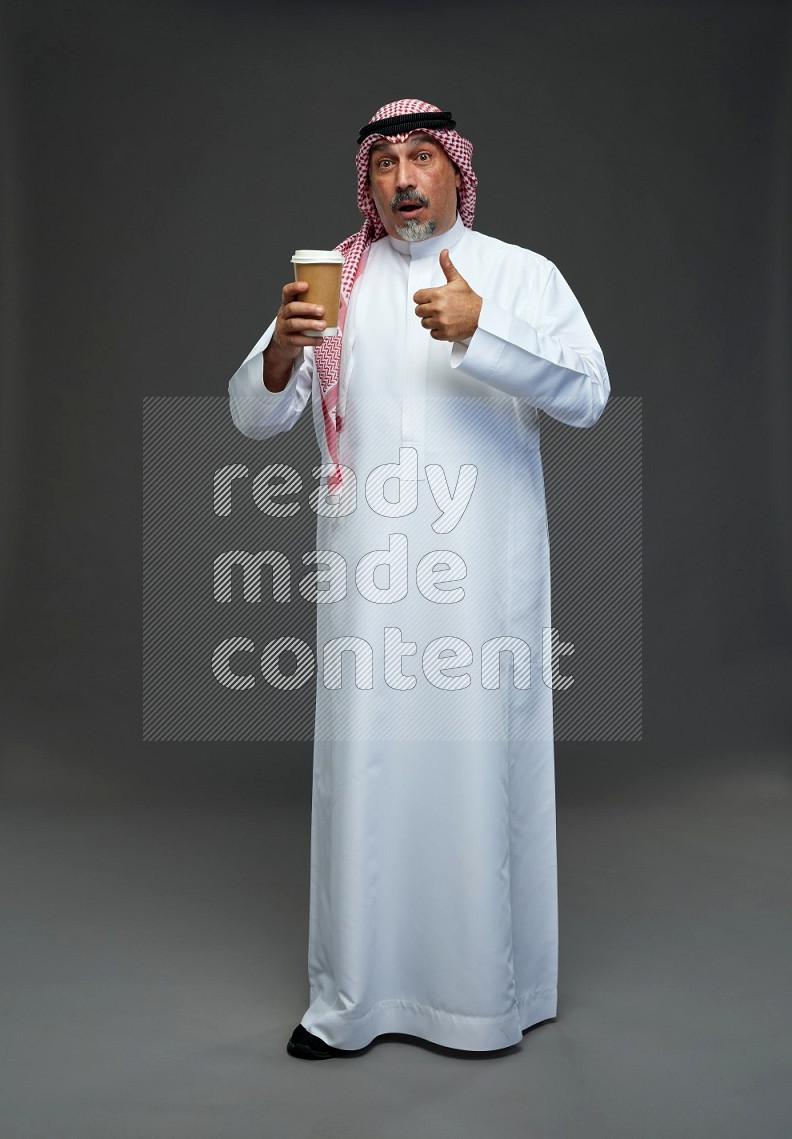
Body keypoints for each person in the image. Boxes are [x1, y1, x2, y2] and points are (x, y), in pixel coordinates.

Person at [228, 98, 610, 1060]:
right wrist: (283, 346)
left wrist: (484, 332)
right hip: (366, 577)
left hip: (483, 578)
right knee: (364, 771)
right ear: (367, 182)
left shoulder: (520, 275)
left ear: (456, 172)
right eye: (386, 161)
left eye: (422, 158)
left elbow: (590, 395)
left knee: (476, 770)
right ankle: (350, 1000)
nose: (404, 177)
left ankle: (487, 998)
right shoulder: (332, 283)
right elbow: (253, 416)